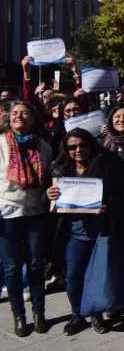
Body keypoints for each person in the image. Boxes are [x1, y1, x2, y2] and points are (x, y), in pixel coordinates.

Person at [46, 128, 124, 335]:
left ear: (90, 145)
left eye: (82, 145)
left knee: (97, 276)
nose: (78, 150)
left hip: (100, 232)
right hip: (74, 233)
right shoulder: (60, 169)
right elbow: (49, 205)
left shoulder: (106, 167)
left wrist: (107, 206)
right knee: (73, 276)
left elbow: (120, 198)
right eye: (72, 147)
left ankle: (96, 315)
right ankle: (77, 314)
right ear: (66, 149)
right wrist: (49, 195)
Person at [0, 101, 53, 336]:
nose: (19, 116)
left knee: (36, 264)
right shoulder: (1, 143)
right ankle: (19, 316)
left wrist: (51, 193)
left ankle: (39, 313)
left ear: (32, 118)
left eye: (24, 113)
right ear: (9, 118)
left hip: (35, 212)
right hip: (7, 213)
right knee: (12, 267)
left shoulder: (43, 146)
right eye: (14, 113)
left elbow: (50, 179)